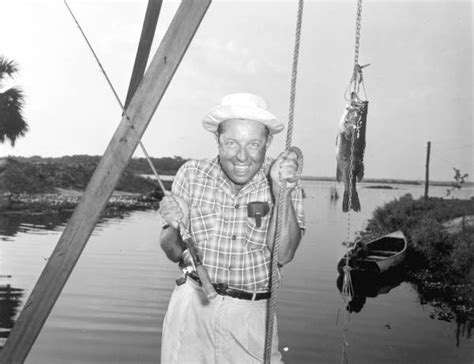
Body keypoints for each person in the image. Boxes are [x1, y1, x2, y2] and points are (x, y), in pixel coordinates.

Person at [158, 93, 305, 363]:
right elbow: (172, 250)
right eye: (231, 143)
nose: (241, 156)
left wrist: (278, 189)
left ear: (268, 142)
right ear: (217, 140)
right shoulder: (191, 174)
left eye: (253, 144)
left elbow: (283, 255)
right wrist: (175, 224)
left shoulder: (284, 179)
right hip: (192, 309)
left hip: (251, 317)